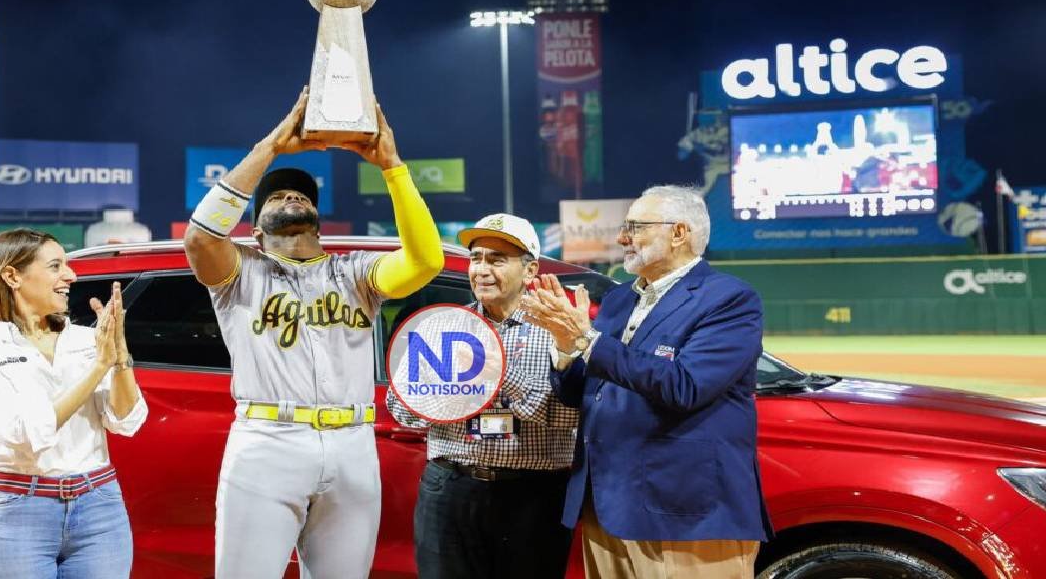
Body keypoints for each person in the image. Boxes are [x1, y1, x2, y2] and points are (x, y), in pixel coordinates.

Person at [183, 86, 443, 579]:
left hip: (352, 442)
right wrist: (271, 149)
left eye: (300, 194)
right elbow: (200, 237)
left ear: (318, 220)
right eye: (276, 195)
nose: (290, 196)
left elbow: (426, 261)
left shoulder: (356, 273)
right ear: (255, 227)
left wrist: (392, 166)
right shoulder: (238, 271)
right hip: (269, 440)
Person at [521, 185, 771, 579]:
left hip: (683, 512)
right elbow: (580, 393)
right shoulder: (621, 299)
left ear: (679, 233)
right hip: (608, 505)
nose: (623, 238)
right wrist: (565, 344)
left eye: (636, 227)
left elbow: (685, 386)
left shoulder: (729, 299)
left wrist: (588, 340)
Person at [386, 214, 578, 579]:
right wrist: (448, 397)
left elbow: (571, 414)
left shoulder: (559, 330)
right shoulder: (440, 325)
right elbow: (400, 409)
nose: (482, 269)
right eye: (477, 258)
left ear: (529, 270)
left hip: (533, 496)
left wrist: (499, 371)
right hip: (450, 488)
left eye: (497, 259)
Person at [0, 228, 147, 579]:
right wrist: (99, 365)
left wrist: (119, 359)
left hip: (100, 507)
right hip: (19, 509)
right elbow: (25, 432)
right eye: (56, 266)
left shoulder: (88, 340)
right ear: (12, 275)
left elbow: (126, 419)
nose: (70, 275)